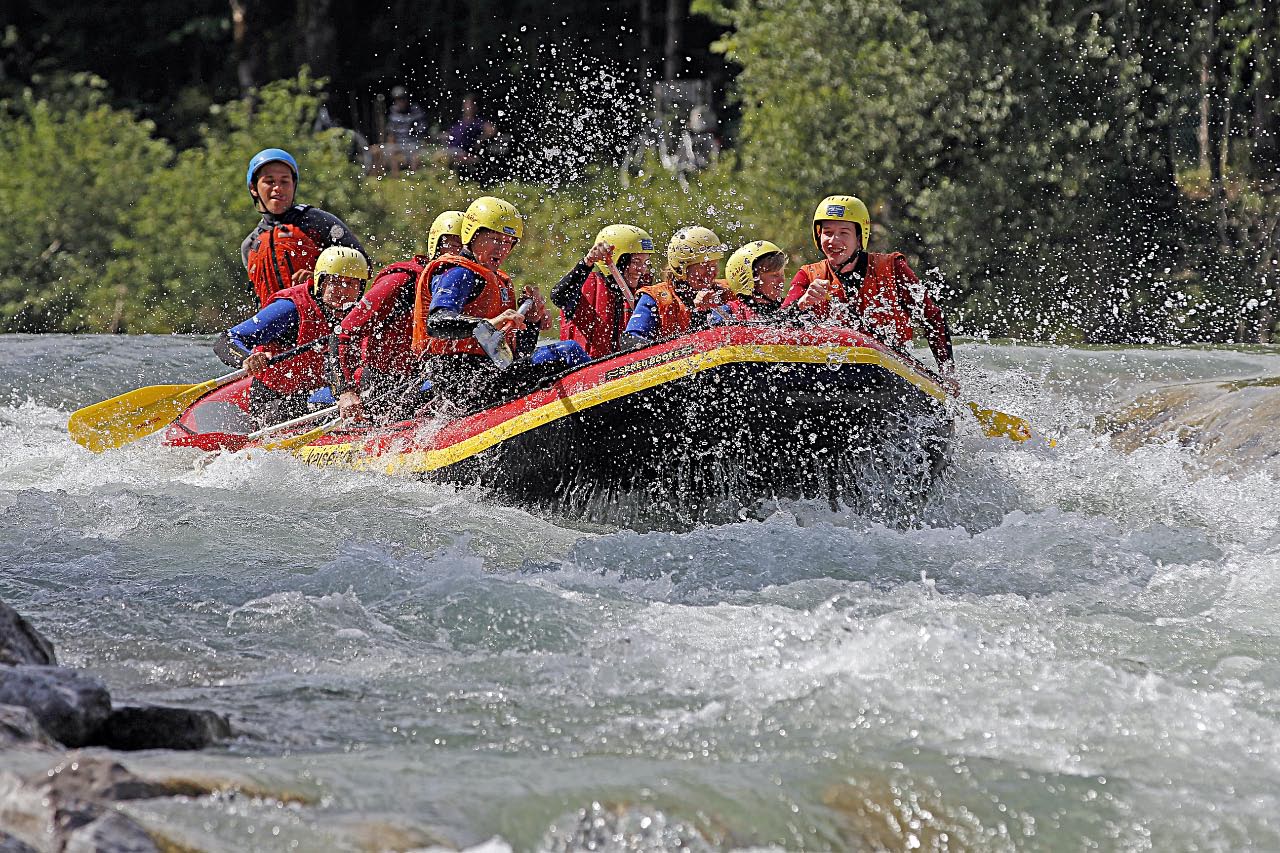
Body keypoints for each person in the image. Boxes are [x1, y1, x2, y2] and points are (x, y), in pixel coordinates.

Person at [411, 196, 588, 412]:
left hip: (486, 375)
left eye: (507, 242)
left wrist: (531, 322)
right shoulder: (458, 272)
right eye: (494, 239)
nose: (501, 249)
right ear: (472, 235)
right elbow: (437, 323)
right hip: (458, 379)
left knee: (556, 356)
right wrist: (489, 323)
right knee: (568, 351)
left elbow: (517, 355)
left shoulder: (499, 281)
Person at [781, 194, 955, 376]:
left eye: (843, 233)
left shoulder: (893, 268)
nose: (833, 241)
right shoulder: (807, 276)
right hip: (832, 371)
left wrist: (947, 373)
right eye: (828, 232)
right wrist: (802, 304)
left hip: (889, 371)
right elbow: (779, 325)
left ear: (859, 238)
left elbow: (932, 318)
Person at [332, 211, 465, 423]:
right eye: (455, 245)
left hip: (416, 384)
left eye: (467, 247)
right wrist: (346, 391)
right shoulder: (401, 282)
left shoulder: (466, 289)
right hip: (375, 384)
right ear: (436, 246)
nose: (460, 254)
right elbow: (343, 333)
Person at [215, 246, 370, 427]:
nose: (342, 290)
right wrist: (247, 358)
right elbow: (227, 339)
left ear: (360, 288)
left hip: (324, 393)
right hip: (275, 400)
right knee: (319, 404)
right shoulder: (290, 308)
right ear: (321, 282)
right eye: (335, 281)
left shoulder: (362, 314)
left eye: (351, 283)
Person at [241, 148, 369, 307]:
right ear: (254, 188)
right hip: (277, 323)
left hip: (323, 316)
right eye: (270, 181)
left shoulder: (318, 222)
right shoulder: (250, 245)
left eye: (284, 181)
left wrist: (320, 279)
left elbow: (363, 265)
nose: (278, 188)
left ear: (293, 185)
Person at [551, 224, 656, 359]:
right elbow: (557, 296)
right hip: (584, 372)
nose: (641, 269)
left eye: (645, 262)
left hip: (625, 372)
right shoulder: (582, 287)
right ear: (618, 260)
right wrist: (587, 262)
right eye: (636, 261)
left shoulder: (645, 296)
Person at [622, 226, 727, 346]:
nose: (712, 272)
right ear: (681, 267)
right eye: (704, 265)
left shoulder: (726, 291)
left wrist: (716, 309)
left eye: (714, 265)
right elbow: (632, 342)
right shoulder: (654, 298)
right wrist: (699, 314)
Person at [716, 240, 791, 322]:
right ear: (751, 279)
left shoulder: (788, 310)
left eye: (782, 275)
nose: (781, 281)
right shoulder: (728, 312)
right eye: (774, 275)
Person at [438, 94, 497, 179]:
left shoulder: (477, 122)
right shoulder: (459, 122)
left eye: (470, 104)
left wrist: (480, 140)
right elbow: (450, 135)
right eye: (466, 104)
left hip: (462, 152)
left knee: (441, 158)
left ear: (475, 107)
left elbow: (492, 130)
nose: (467, 107)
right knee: (428, 156)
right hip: (449, 150)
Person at [383, 85, 429, 175]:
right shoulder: (393, 113)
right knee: (388, 152)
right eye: (398, 99)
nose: (400, 101)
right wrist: (391, 147)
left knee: (414, 155)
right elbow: (391, 135)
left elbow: (424, 132)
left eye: (402, 98)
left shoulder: (416, 111)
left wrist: (415, 130)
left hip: (413, 143)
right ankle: (394, 181)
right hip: (399, 144)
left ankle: (414, 178)